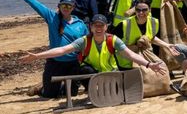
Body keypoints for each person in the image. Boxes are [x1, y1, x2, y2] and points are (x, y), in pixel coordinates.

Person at [2, 0, 90, 98]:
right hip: (54, 62)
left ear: (73, 7)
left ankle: (64, 85)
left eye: (69, 6)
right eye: (63, 5)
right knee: (49, 95)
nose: (66, 8)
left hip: (73, 64)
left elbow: (87, 45)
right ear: (59, 6)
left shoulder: (80, 24)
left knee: (70, 94)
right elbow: (34, 3)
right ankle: (41, 88)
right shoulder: (52, 17)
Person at [19, 14, 165, 77]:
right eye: (96, 25)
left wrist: (149, 65)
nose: (99, 28)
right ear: (91, 27)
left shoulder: (113, 40)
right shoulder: (84, 41)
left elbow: (130, 54)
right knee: (83, 69)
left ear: (106, 27)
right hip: (92, 76)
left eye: (101, 25)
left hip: (111, 74)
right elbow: (63, 50)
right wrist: (37, 56)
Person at [117, 0, 177, 70]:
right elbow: (113, 42)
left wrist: (167, 45)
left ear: (150, 10)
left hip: (145, 61)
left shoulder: (154, 22)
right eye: (138, 10)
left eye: (144, 10)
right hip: (126, 63)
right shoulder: (124, 24)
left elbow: (151, 38)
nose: (141, 13)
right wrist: (134, 47)